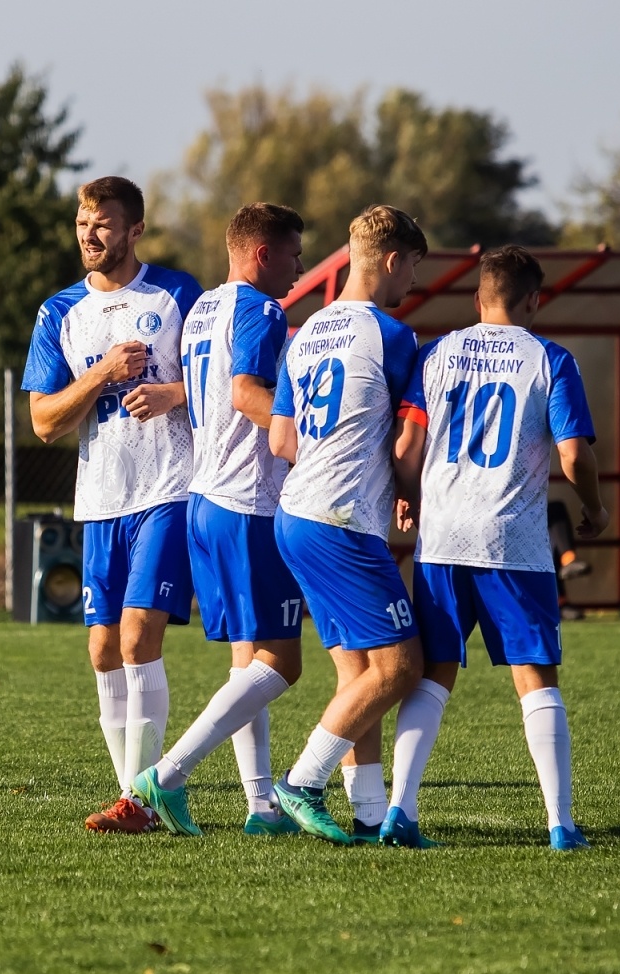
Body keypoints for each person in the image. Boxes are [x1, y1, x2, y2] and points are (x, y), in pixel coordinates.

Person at [385, 245, 607, 851]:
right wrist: (593, 505)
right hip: (513, 542)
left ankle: (400, 811)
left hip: (443, 538)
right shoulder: (549, 359)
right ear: (534, 300)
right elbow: (572, 454)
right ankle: (560, 822)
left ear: (478, 298)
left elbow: (407, 445)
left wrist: (408, 496)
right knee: (536, 676)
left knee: (434, 673)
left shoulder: (438, 353)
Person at [23, 175, 201, 834]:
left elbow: (227, 381)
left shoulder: (179, 294)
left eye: (102, 224)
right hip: (99, 499)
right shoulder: (58, 312)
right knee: (101, 650)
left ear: (134, 230)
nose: (88, 236)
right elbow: (43, 420)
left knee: (136, 637)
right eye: (81, 224)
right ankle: (137, 798)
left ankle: (142, 802)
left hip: (166, 490)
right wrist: (103, 373)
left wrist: (171, 395)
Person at [130, 203, 308, 837]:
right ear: (261, 254)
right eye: (292, 254)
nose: (299, 267)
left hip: (204, 498)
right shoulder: (263, 310)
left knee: (246, 658)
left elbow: (202, 392)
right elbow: (244, 393)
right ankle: (164, 777)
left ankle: (260, 806)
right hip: (248, 502)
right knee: (283, 663)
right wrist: (311, 437)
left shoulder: (204, 307)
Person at [266, 204, 429, 845]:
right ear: (393, 260)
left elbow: (282, 439)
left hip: (296, 513)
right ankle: (302, 781)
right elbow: (401, 446)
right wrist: (407, 497)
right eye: (414, 265)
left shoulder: (304, 332)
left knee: (357, 671)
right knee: (400, 667)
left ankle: (368, 815)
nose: (413, 280)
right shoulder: (392, 334)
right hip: (339, 521)